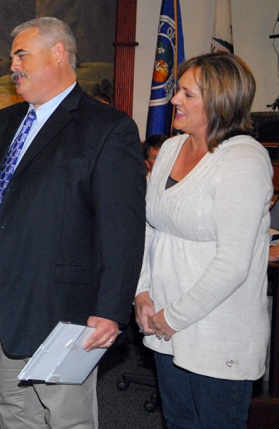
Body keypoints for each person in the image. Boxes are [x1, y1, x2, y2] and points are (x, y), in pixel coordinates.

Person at [0, 17, 145, 428]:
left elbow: (122, 230)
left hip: (62, 308)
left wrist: (111, 310)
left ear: (57, 53)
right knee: (15, 409)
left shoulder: (106, 128)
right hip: (3, 301)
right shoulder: (5, 122)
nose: (13, 66)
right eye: (12, 57)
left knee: (66, 416)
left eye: (21, 55)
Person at [134, 52, 272, 428]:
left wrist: (172, 318)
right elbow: (149, 226)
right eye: (178, 89)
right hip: (163, 322)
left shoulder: (243, 160)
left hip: (216, 331)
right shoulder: (173, 149)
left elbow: (233, 264)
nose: (175, 99)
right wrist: (142, 291)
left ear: (220, 103)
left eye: (187, 94)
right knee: (179, 421)